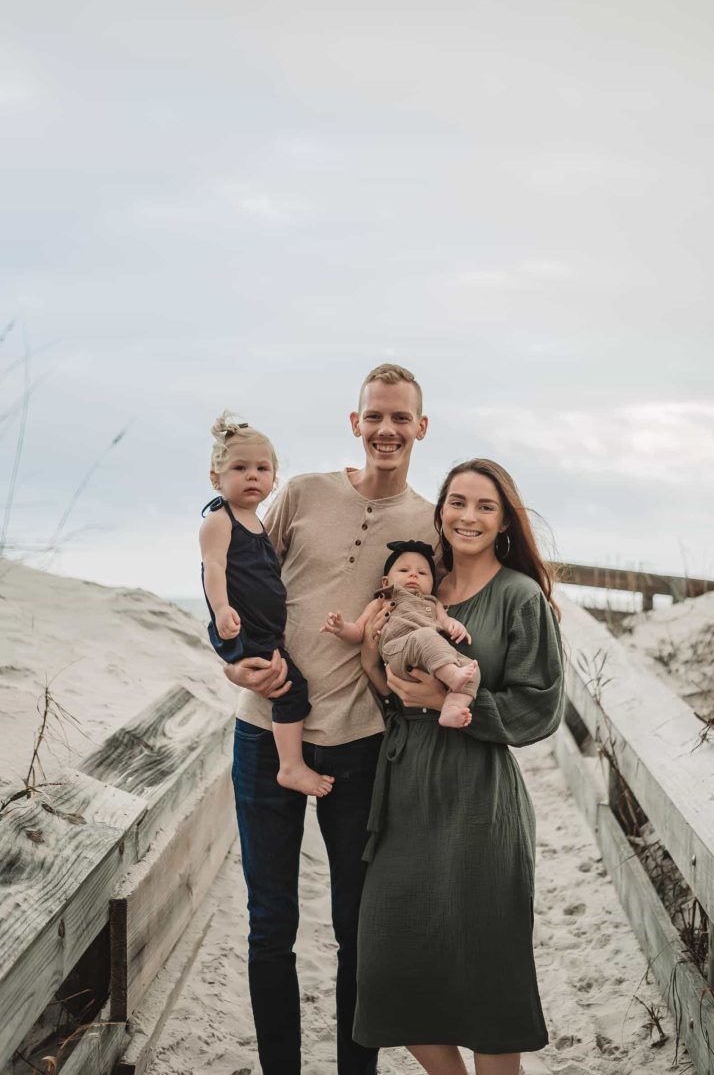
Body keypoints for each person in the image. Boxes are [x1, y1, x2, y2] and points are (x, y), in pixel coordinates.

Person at [223, 365, 437, 1075]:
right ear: (356, 422)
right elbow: (235, 571)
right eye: (374, 416)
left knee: (357, 930)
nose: (386, 429)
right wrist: (230, 657)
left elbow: (447, 612)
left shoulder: (429, 522)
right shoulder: (304, 492)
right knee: (270, 925)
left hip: (362, 746)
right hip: (263, 731)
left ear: (420, 428)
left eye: (400, 418)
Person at [353, 458, 565, 1075]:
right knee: (389, 962)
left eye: (485, 506)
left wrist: (452, 701)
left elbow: (541, 705)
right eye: (457, 502)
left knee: (487, 974)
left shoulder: (519, 597)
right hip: (405, 787)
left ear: (504, 522)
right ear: (439, 511)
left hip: (479, 798)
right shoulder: (416, 589)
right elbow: (389, 681)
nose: (467, 516)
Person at [200, 412, 334, 798]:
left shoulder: (257, 522)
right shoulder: (219, 520)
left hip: (265, 629)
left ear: (274, 478)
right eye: (240, 467)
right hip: (245, 628)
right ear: (216, 477)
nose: (253, 475)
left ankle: (290, 763)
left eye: (263, 468)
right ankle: (290, 767)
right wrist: (222, 608)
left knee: (288, 685)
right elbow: (214, 566)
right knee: (292, 689)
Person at [320, 539, 477, 728]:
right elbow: (359, 631)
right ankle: (451, 675)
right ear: (386, 581)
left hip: (432, 654)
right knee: (425, 636)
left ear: (432, 583)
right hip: (399, 651)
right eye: (404, 571)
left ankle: (451, 707)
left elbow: (445, 621)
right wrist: (341, 628)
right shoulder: (383, 601)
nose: (413, 575)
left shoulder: (433, 603)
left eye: (422, 573)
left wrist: (454, 625)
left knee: (471, 668)